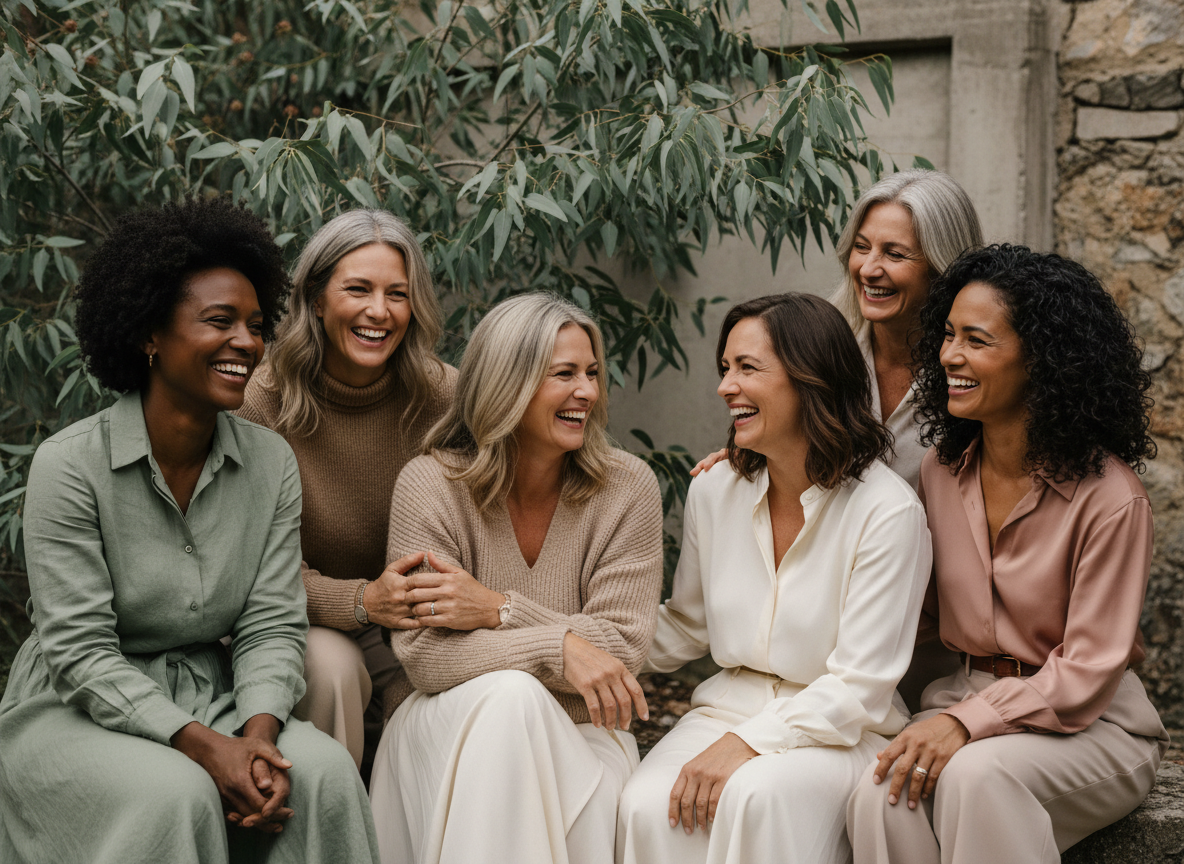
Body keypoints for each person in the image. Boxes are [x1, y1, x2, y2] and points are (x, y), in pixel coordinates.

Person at [0, 198, 379, 863]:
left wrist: (258, 740)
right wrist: (207, 748)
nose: (246, 343)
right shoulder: (70, 465)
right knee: (177, 792)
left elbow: (271, 624)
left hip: (221, 695)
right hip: (78, 706)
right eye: (219, 321)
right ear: (150, 334)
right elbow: (81, 652)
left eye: (256, 325)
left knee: (321, 775)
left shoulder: (269, 463)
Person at [846, 244, 1169, 864]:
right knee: (883, 790)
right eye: (946, 336)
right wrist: (758, 467)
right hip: (963, 699)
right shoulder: (942, 471)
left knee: (976, 777)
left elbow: (1088, 670)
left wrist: (969, 723)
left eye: (977, 340)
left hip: (1093, 726)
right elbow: (918, 611)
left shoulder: (1111, 498)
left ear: (1044, 362)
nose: (950, 357)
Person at [615, 294, 932, 864]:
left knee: (756, 795)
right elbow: (685, 626)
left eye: (747, 368)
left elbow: (861, 686)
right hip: (724, 708)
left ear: (810, 380)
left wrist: (748, 744)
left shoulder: (888, 512)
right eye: (725, 368)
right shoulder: (714, 491)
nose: (724, 387)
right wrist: (570, 647)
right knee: (644, 802)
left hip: (842, 732)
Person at [369, 292, 664, 864]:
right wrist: (559, 645)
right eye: (564, 374)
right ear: (510, 383)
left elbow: (622, 651)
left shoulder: (628, 488)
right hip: (444, 725)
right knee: (510, 697)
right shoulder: (430, 485)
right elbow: (426, 656)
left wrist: (497, 610)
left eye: (592, 373)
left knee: (514, 695)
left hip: (584, 734)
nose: (587, 391)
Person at [694, 169, 982, 709]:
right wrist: (751, 455)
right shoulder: (823, 352)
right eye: (861, 247)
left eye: (895, 254)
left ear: (943, 267)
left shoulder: (973, 379)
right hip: (817, 653)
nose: (869, 268)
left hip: (942, 652)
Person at [238, 209, 455, 769]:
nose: (379, 312)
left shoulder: (444, 396)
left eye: (397, 294)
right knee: (332, 671)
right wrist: (361, 600)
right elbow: (247, 569)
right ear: (315, 297)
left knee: (467, 690)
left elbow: (537, 450)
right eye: (357, 289)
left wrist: (719, 460)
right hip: (292, 619)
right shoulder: (261, 402)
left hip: (406, 623)